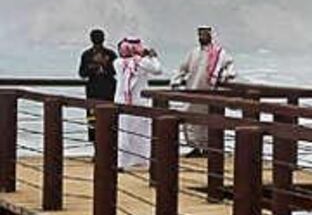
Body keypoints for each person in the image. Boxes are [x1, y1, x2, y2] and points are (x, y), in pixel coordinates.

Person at [171, 26, 236, 157]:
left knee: (209, 121)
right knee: (190, 120)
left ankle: (208, 148)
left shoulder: (219, 53)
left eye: (205, 34)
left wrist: (226, 75)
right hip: (193, 91)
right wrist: (175, 80)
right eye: (200, 35)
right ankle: (195, 147)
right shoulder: (193, 53)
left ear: (211, 36)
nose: (202, 37)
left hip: (211, 93)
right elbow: (182, 68)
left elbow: (230, 67)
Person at [113, 37, 162, 170]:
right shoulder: (143, 63)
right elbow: (157, 70)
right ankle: (141, 159)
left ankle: (123, 161)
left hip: (122, 101)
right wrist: (152, 57)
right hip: (140, 102)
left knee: (124, 132)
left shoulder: (117, 63)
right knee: (142, 132)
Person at [78, 29, 117, 142]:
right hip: (93, 90)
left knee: (110, 119)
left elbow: (115, 71)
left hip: (109, 90)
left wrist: (105, 64)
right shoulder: (87, 55)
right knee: (93, 120)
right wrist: (94, 66)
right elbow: (82, 73)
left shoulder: (110, 54)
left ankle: (110, 147)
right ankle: (96, 148)